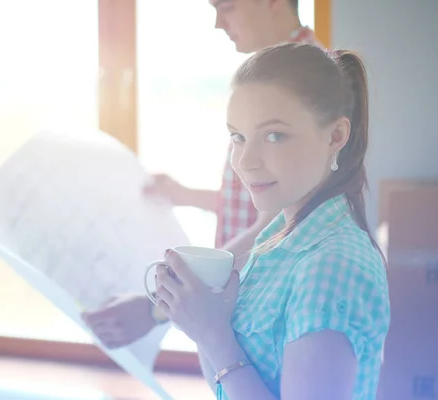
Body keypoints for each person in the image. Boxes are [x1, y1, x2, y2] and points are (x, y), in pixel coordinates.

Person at [153, 43, 391, 399]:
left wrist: (211, 333)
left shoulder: (329, 265)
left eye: (274, 136)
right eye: (238, 136)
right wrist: (204, 318)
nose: (245, 161)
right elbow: (224, 383)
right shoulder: (278, 235)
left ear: (336, 136)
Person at [81, 0, 323, 349]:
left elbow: (274, 226)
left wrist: (157, 307)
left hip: (268, 311)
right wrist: (185, 196)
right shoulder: (286, 74)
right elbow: (270, 201)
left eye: (227, 7)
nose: (218, 24)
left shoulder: (298, 81)